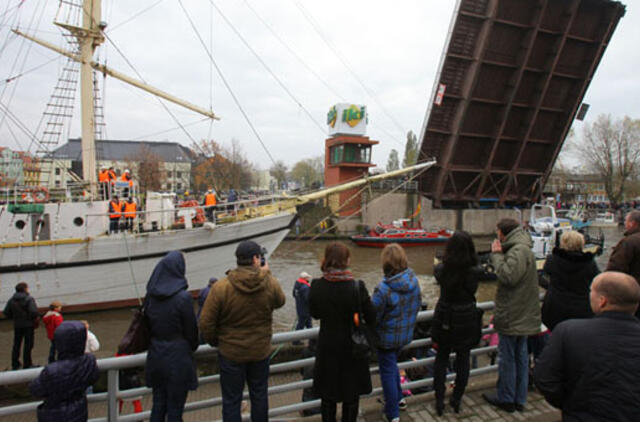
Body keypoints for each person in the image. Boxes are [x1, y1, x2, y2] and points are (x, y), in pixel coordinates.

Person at [534, 272, 640, 421]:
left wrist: (570, 405)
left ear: (602, 301)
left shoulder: (569, 332)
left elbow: (545, 379)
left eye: (592, 291)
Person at [200, 240, 285, 422]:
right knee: (260, 395)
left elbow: (206, 323)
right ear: (255, 259)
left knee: (231, 400)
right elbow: (280, 301)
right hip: (259, 352)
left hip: (231, 353)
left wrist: (217, 341)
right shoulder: (269, 283)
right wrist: (267, 273)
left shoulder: (221, 287)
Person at [309, 242, 375, 422]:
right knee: (351, 395)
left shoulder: (316, 285)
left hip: (328, 347)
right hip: (352, 348)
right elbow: (372, 316)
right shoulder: (356, 286)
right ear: (346, 261)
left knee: (328, 397)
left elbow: (314, 313)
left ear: (326, 260)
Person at [483, 218, 541, 413]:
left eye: (497, 231)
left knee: (508, 357)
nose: (496, 235)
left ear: (503, 233)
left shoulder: (517, 250)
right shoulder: (524, 247)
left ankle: (507, 398)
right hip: (523, 313)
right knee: (521, 356)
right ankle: (520, 398)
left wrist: (497, 255)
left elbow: (508, 276)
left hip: (513, 314)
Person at [432, 231, 489, 415]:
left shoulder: (442, 270)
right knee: (463, 360)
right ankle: (456, 400)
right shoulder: (475, 271)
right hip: (466, 317)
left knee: (441, 358)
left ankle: (439, 401)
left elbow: (438, 272)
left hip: (446, 317)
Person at [145, 251, 199, 421]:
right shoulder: (183, 298)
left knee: (158, 404)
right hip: (178, 356)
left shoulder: (150, 297)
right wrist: (192, 345)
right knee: (175, 408)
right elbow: (191, 331)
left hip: (156, 354)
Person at [371, 243, 421, 422]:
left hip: (386, 339)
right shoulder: (413, 281)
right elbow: (416, 306)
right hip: (405, 336)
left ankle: (392, 414)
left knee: (387, 373)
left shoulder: (383, 289)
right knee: (392, 368)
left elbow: (372, 314)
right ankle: (399, 399)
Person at [29, 321, 100, 422]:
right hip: (79, 409)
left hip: (54, 414)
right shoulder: (89, 361)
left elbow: (35, 390)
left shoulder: (52, 370)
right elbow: (94, 377)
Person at [540, 230, 599, 331]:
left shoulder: (553, 260)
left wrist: (551, 287)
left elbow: (543, 277)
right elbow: (596, 280)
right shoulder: (589, 263)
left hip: (555, 305)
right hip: (581, 305)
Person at [606, 210, 640, 317]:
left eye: (626, 221)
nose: (624, 223)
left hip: (632, 295)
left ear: (632, 223)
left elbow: (616, 269)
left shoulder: (629, 242)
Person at [3, 282, 39, 370]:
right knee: (28, 345)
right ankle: (27, 363)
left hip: (17, 325)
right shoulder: (29, 299)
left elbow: (6, 312)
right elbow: (33, 312)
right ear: (25, 289)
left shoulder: (11, 300)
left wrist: (15, 317)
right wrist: (31, 319)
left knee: (16, 345)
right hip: (28, 325)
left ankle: (15, 364)